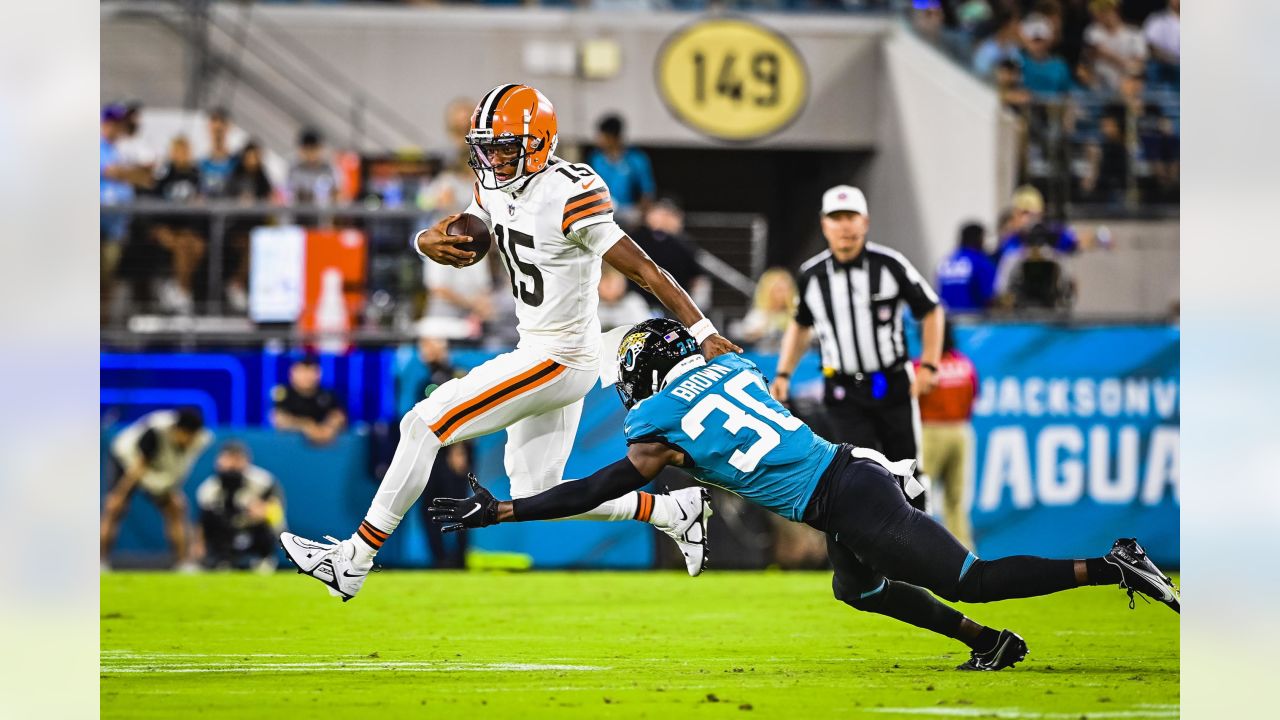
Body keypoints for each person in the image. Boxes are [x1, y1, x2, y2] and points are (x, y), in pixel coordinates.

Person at [429, 319, 1180, 671]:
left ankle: (1111, 565)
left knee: (974, 580)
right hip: (847, 478)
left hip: (847, 495)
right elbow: (715, 437)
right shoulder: (732, 368)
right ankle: (989, 647)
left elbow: (602, 483)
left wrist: (502, 509)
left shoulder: (656, 415)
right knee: (856, 589)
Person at [279, 83, 740, 601]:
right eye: (488, 147)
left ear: (539, 143)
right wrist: (425, 238)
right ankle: (673, 511)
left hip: (559, 356)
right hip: (541, 350)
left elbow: (646, 271)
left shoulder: (570, 192)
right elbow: (477, 226)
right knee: (538, 495)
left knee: (423, 423)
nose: (494, 159)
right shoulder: (497, 183)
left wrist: (703, 332)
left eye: (505, 147)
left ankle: (354, 559)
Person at [769, 185, 943, 509]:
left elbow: (931, 309)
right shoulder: (811, 275)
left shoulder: (890, 265)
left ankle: (919, 553)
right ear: (824, 224)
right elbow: (800, 324)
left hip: (891, 383)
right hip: (843, 390)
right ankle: (869, 555)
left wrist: (930, 365)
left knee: (908, 472)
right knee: (858, 472)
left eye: (851, 216)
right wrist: (783, 373)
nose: (845, 225)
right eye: (837, 217)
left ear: (865, 221)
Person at [101, 408, 213, 570]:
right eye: (187, 435)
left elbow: (180, 466)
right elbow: (138, 466)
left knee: (176, 508)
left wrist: (171, 489)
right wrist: (120, 494)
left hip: (160, 470)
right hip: (128, 463)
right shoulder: (155, 432)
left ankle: (184, 564)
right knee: (114, 508)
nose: (190, 440)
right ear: (178, 429)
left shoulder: (201, 438)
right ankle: (100, 561)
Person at [914, 322, 978, 549]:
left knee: (918, 496)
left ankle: (916, 550)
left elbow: (911, 399)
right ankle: (965, 556)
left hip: (930, 432)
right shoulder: (964, 365)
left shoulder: (922, 368)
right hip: (961, 431)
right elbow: (973, 398)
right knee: (956, 501)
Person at [194, 441, 285, 572]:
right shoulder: (208, 489)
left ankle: (264, 559)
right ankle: (223, 562)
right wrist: (198, 547)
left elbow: (277, 512)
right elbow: (202, 522)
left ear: (246, 460)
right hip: (226, 533)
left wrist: (264, 510)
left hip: (255, 529)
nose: (232, 464)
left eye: (237, 459)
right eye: (228, 458)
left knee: (269, 526)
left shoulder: (263, 481)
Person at [627, 198, 711, 311]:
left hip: (674, 304)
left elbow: (698, 276)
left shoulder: (684, 243)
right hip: (639, 303)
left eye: (668, 214)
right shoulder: (636, 237)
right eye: (659, 213)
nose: (663, 219)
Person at [585, 114, 656, 224]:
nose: (598, 140)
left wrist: (640, 214)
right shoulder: (595, 159)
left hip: (628, 214)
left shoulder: (636, 159)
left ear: (612, 137)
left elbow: (647, 192)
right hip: (601, 212)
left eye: (602, 136)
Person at [270, 355, 348, 446]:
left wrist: (329, 428)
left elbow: (338, 415)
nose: (306, 376)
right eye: (302, 371)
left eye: (311, 371)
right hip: (290, 447)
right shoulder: (283, 393)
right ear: (292, 373)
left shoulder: (328, 394)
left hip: (327, 444)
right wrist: (307, 426)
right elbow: (279, 418)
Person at [1079, 0, 1147, 94]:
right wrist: (1126, 64)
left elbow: (1138, 67)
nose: (1101, 14)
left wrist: (1108, 56)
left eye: (1106, 9)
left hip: (1126, 86)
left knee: (1133, 85)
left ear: (1116, 10)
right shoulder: (1093, 31)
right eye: (1098, 10)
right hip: (1099, 85)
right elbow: (1094, 53)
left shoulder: (1134, 33)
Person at [936, 222, 997, 314]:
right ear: (979, 238)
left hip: (948, 321)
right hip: (973, 322)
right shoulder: (980, 262)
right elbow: (989, 296)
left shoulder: (946, 261)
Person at [734, 267, 797, 353]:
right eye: (779, 290)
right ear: (768, 292)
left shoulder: (796, 313)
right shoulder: (758, 314)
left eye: (787, 290)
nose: (783, 295)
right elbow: (745, 333)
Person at [1018, 16, 1074, 97]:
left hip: (1054, 108)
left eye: (1040, 40)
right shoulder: (1017, 61)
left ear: (1049, 40)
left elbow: (1067, 93)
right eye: (1033, 40)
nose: (1037, 45)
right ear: (1025, 40)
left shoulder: (1060, 65)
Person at [286, 127, 338, 207]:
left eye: (313, 149)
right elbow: (286, 194)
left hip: (323, 216)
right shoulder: (294, 169)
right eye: (306, 149)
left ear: (321, 149)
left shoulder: (329, 169)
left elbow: (338, 194)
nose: (310, 154)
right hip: (297, 215)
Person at [597, 265, 652, 331]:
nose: (613, 287)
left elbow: (645, 329)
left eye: (617, 284)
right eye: (607, 284)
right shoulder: (590, 304)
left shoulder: (633, 302)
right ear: (598, 284)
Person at [971, 10, 1023, 79]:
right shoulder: (987, 48)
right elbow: (979, 72)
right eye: (1015, 25)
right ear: (1005, 26)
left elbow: (1018, 75)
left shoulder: (1016, 50)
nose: (1018, 30)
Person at [199, 107, 237, 199]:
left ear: (228, 128)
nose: (218, 133)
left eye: (221, 129)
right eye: (215, 129)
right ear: (209, 128)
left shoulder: (237, 164)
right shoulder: (199, 164)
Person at [1142, 0, 1179, 88]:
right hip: (1164, 64)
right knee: (1153, 67)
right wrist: (1172, 59)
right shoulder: (1157, 19)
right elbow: (1150, 45)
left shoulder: (1198, 21)